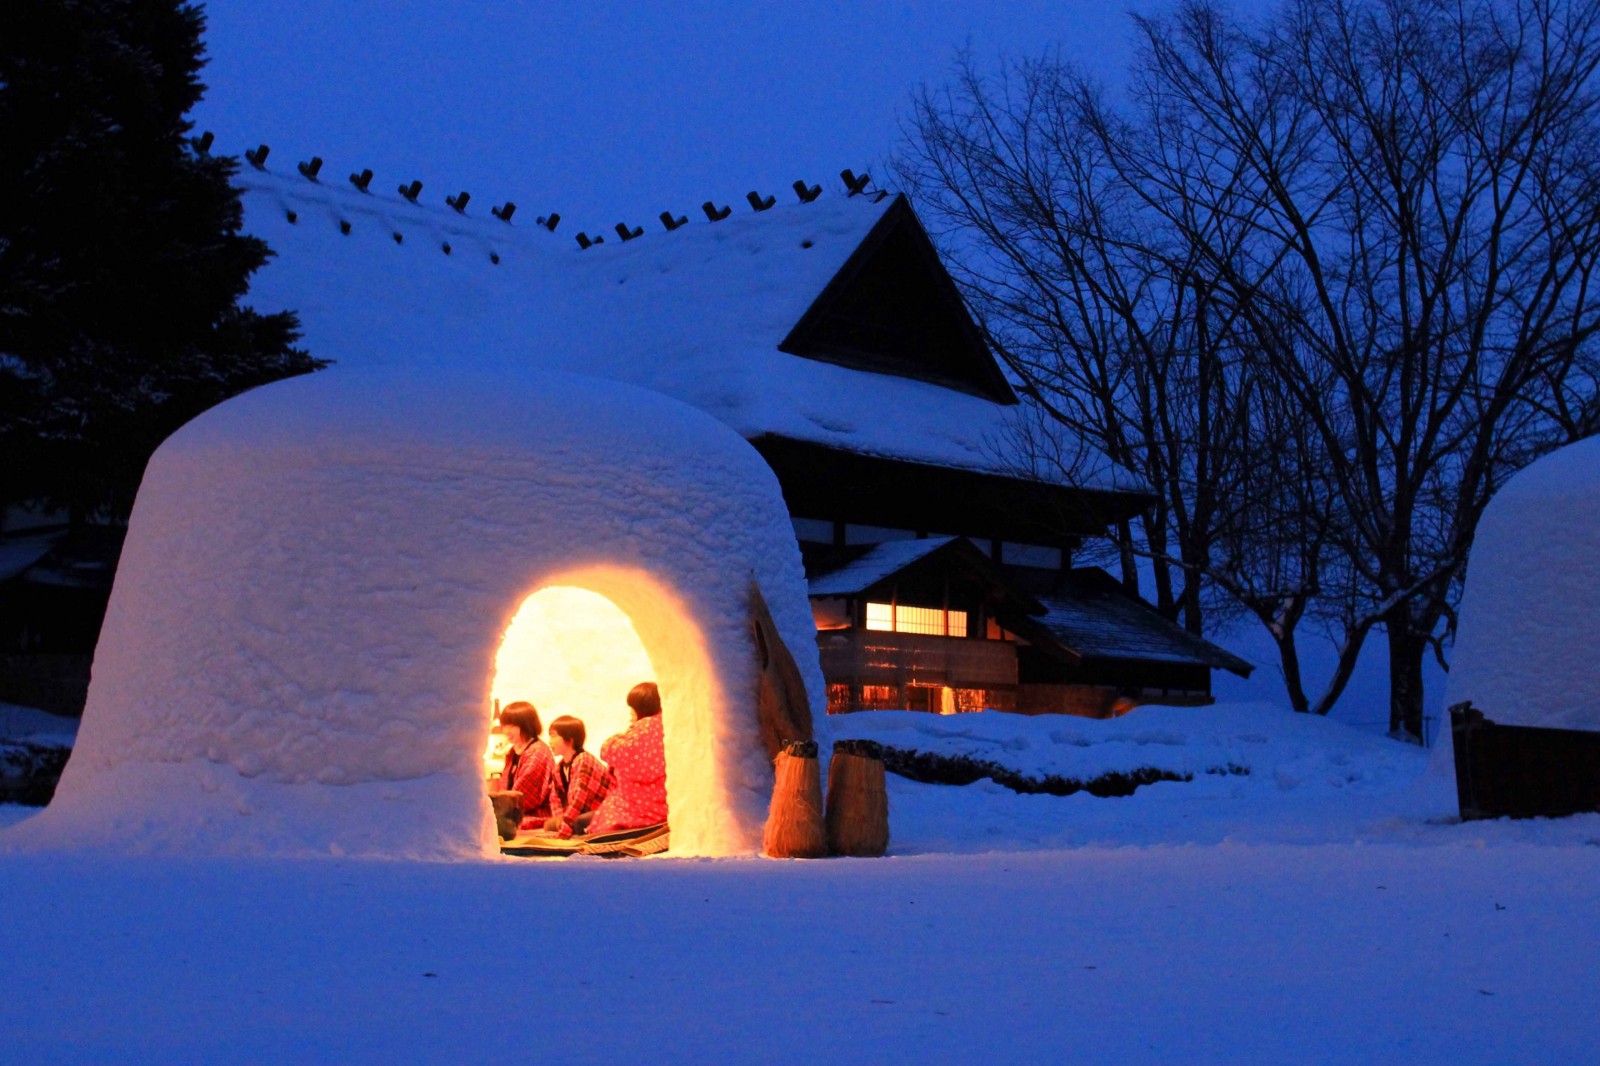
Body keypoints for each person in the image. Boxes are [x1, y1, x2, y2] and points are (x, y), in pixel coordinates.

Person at [589, 681, 668, 834]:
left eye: (633, 708)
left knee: (587, 823)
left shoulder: (643, 728)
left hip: (637, 807)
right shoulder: (664, 725)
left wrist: (619, 736)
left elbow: (610, 750)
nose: (631, 712)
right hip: (662, 806)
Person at [543, 715, 613, 839]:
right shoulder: (559, 767)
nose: (550, 741)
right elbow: (555, 797)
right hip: (579, 812)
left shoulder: (584, 760)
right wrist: (559, 819)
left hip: (602, 810)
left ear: (569, 740)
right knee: (549, 824)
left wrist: (564, 826)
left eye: (554, 736)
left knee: (578, 822)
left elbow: (579, 800)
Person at [496, 702, 555, 830]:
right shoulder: (513, 751)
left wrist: (501, 808)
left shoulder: (538, 752)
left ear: (526, 725)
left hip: (534, 815)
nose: (506, 731)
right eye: (504, 726)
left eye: (511, 726)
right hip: (513, 811)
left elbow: (523, 796)